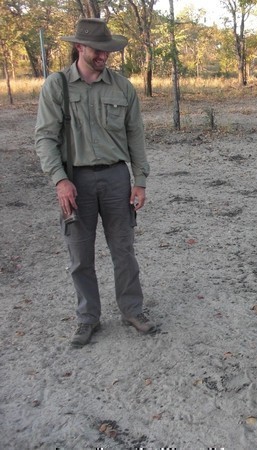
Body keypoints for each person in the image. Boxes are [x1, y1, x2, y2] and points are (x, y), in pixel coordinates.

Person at [34, 18, 157, 347]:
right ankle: (88, 317)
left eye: (108, 51)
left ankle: (132, 309)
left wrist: (139, 180)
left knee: (124, 251)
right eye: (97, 50)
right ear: (79, 47)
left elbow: (136, 136)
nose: (104, 56)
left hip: (117, 177)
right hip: (75, 181)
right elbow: (45, 138)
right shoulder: (57, 86)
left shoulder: (123, 87)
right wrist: (60, 181)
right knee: (80, 255)